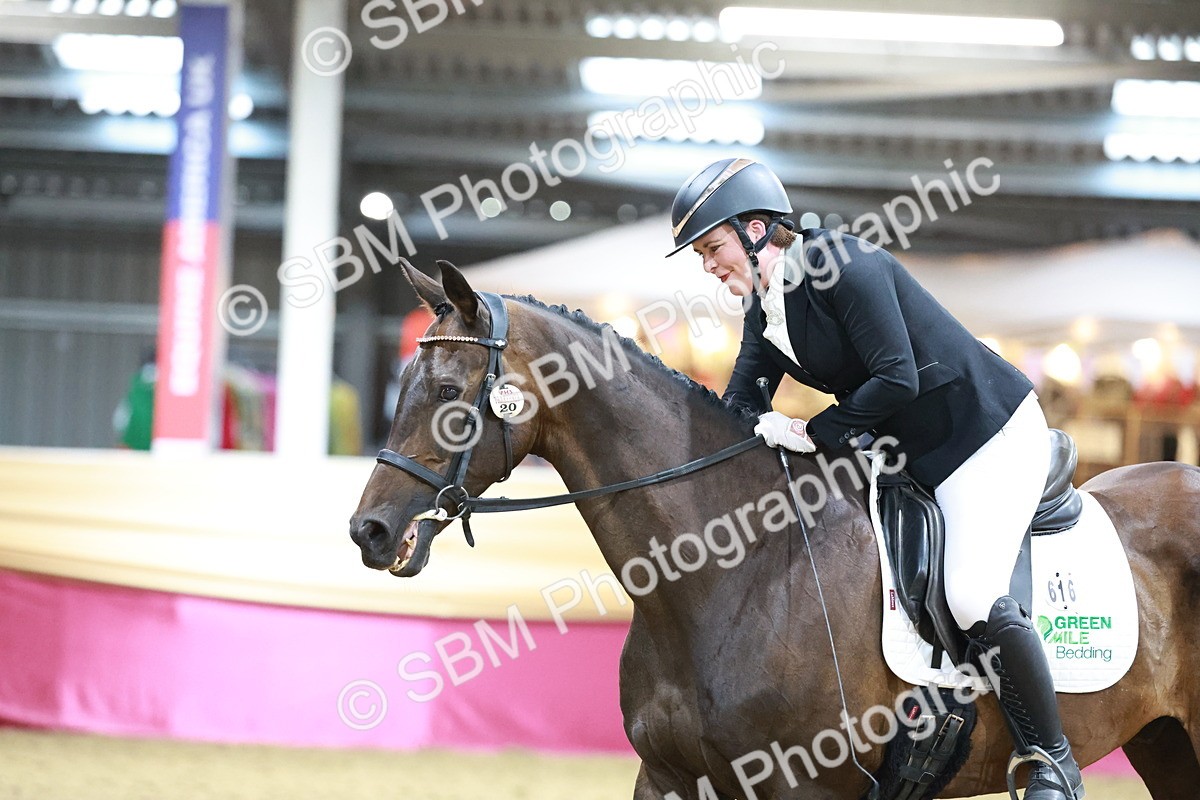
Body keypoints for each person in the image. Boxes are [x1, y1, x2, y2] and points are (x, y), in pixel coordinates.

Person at [667, 157, 1082, 800]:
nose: (709, 266)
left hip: (983, 434)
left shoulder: (844, 265)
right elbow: (740, 407)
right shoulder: (766, 310)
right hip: (909, 453)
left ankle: (1051, 760)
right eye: (700, 255)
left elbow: (897, 376)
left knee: (972, 592)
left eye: (712, 248)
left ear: (755, 229)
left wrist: (812, 432)